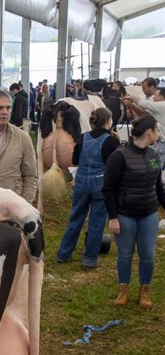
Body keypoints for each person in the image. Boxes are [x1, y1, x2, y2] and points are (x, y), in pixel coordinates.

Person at [103, 115, 165, 308]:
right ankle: (124, 290)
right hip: (125, 215)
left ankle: (144, 291)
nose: (158, 134)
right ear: (149, 132)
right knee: (125, 254)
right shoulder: (119, 156)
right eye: (157, 130)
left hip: (148, 214)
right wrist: (113, 217)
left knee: (148, 254)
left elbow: (159, 188)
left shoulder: (154, 155)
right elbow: (108, 188)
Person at [56, 108, 121, 268]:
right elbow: (115, 165)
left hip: (82, 182)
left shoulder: (83, 138)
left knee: (75, 218)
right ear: (108, 122)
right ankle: (90, 260)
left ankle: (63, 254)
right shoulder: (111, 141)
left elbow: (75, 160)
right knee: (96, 222)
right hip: (100, 184)